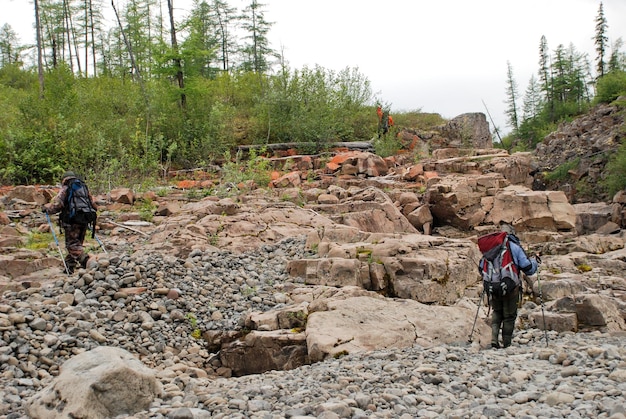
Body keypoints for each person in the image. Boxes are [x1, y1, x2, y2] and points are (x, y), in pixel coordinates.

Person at [490, 222, 539, 348]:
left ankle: (494, 339)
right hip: (511, 287)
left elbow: (481, 267)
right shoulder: (515, 247)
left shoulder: (491, 247)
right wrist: (534, 261)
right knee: (509, 316)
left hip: (493, 286)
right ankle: (507, 343)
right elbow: (528, 268)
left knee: (497, 312)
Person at [43, 171, 97, 274]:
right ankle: (69, 268)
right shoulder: (83, 187)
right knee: (77, 243)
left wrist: (47, 210)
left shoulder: (66, 188)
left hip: (72, 220)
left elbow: (58, 205)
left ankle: (85, 261)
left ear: (64, 179)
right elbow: (93, 205)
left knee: (72, 245)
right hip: (85, 218)